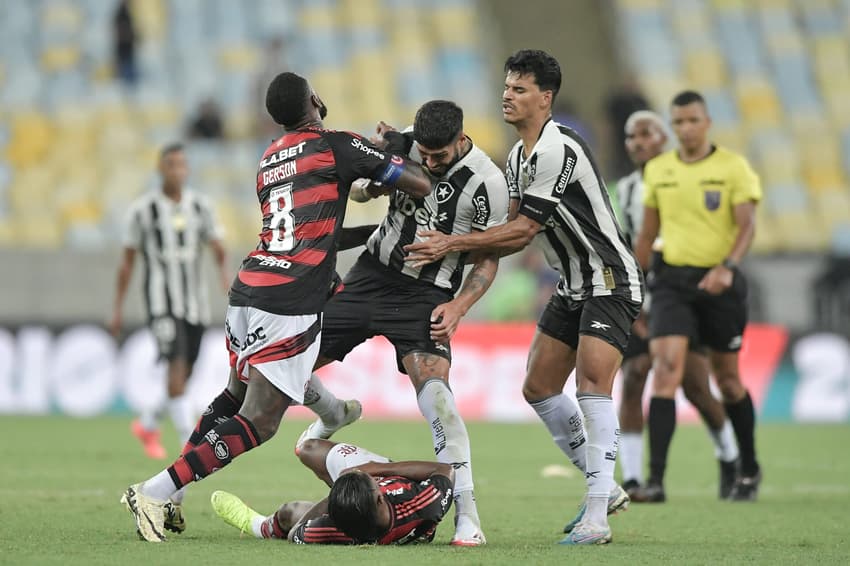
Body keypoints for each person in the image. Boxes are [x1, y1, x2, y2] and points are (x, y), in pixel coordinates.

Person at [120, 71, 432, 543]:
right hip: (286, 301)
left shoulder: (269, 158)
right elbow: (419, 184)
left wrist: (371, 235)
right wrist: (394, 147)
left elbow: (308, 234)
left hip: (249, 288)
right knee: (260, 421)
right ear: (314, 100)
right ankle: (152, 489)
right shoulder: (336, 145)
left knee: (231, 398)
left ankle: (172, 497)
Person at [405, 49, 643, 545]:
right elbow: (502, 227)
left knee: (594, 384)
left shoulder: (558, 149)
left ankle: (597, 514)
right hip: (573, 284)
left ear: (545, 97)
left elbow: (521, 231)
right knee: (538, 386)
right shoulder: (517, 156)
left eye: (518, 88)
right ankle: (608, 487)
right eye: (506, 86)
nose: (507, 95)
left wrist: (451, 243)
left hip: (608, 279)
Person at [296, 99, 509, 546]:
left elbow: (488, 260)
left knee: (439, 401)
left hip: (426, 296)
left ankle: (467, 518)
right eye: (424, 155)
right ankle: (332, 413)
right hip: (371, 276)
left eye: (440, 156)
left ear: (461, 138)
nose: (429, 163)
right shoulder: (405, 142)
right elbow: (357, 194)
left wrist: (459, 307)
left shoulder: (489, 182)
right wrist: (376, 177)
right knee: (289, 363)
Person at [634, 90, 763, 502]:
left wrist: (728, 267)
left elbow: (746, 227)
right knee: (666, 370)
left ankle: (749, 466)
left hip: (720, 282)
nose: (686, 128)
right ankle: (656, 481)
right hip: (673, 282)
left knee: (727, 382)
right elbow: (648, 233)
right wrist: (635, 286)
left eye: (692, 120)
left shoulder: (733, 168)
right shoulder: (660, 170)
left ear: (706, 122)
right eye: (679, 122)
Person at [613, 111, 739, 503]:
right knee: (634, 376)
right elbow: (632, 246)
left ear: (664, 137)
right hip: (646, 295)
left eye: (646, 133)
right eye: (631, 136)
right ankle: (633, 479)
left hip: (683, 294)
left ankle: (730, 456)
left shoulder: (683, 178)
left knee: (696, 387)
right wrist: (633, 300)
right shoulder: (628, 188)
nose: (638, 142)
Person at [110, 143, 228, 460]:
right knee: (175, 372)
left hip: (195, 305)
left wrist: (224, 275)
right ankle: (188, 446)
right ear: (161, 169)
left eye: (182, 165)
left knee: (184, 377)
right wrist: (117, 310)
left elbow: (217, 244)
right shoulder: (142, 210)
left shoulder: (201, 207)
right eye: (172, 164)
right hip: (161, 304)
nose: (178, 170)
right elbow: (127, 263)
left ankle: (147, 423)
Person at [210, 438, 455, 545]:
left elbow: (296, 532)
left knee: (289, 507)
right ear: (379, 495)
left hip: (355, 504)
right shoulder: (424, 503)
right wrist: (378, 468)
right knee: (309, 451)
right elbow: (444, 469)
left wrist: (339, 497)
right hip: (392, 473)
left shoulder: (332, 529)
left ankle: (259, 526)